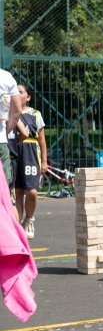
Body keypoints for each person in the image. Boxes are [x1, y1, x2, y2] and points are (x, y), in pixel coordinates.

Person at [13, 85, 46, 239]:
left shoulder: (35, 114)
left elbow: (42, 140)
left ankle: (29, 219)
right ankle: (17, 226)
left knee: (31, 191)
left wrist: (44, 161)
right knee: (17, 192)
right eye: (15, 92)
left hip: (31, 152)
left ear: (28, 97)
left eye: (21, 92)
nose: (18, 94)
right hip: (14, 150)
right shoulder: (9, 112)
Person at [0, 69, 22, 188]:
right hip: (0, 138)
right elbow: (17, 111)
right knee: (3, 184)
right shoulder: (6, 76)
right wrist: (4, 132)